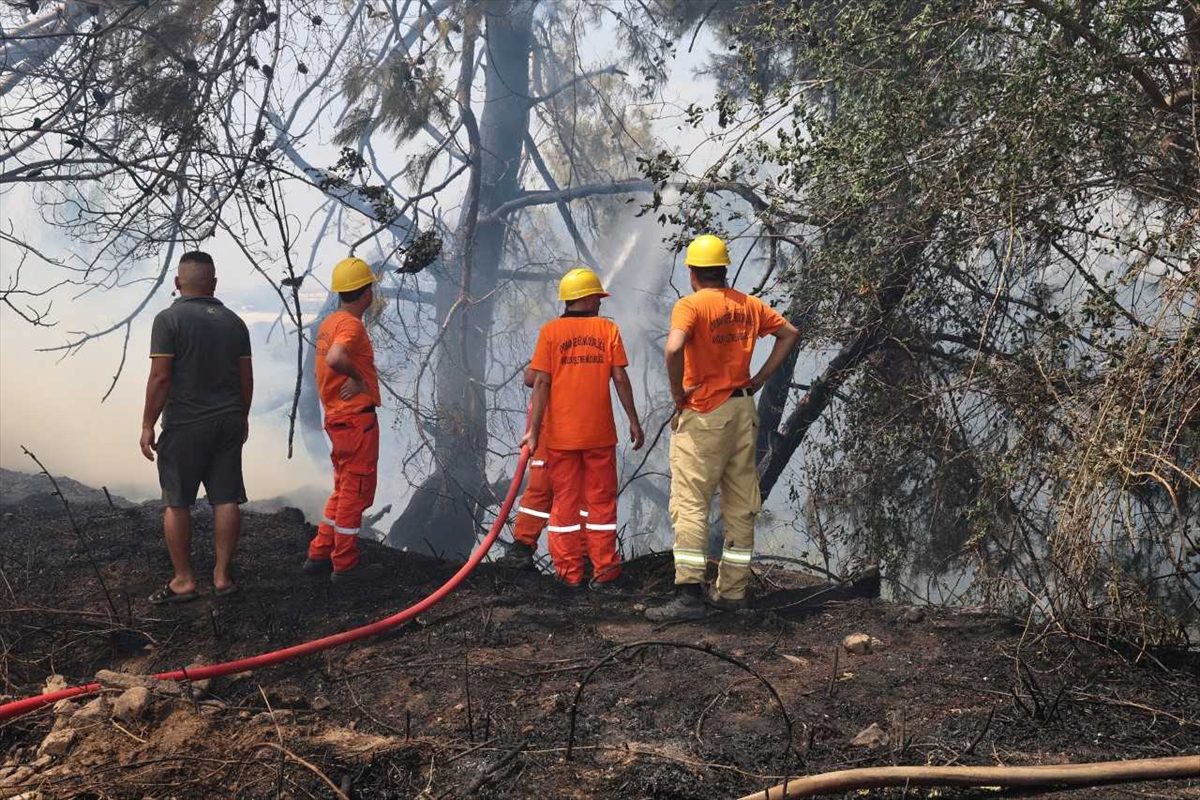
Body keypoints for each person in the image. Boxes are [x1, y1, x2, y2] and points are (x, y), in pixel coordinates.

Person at [645, 235, 800, 621]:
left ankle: (689, 596)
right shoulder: (747, 305)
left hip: (704, 414)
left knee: (691, 502)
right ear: (724, 270)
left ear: (693, 273)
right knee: (741, 504)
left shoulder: (690, 305)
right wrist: (760, 377)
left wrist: (679, 394)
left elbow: (673, 348)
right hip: (742, 410)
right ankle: (732, 592)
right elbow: (789, 334)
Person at [521, 267, 645, 588]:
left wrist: (534, 432)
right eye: (598, 298)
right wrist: (633, 420)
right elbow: (619, 377)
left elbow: (539, 382)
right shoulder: (608, 331)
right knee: (601, 504)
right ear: (588, 298)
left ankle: (569, 575)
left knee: (564, 504)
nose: (601, 303)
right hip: (599, 436)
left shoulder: (549, 332)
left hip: (561, 438)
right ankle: (604, 572)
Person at [140, 251, 253, 604]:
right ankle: (221, 576)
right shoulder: (235, 323)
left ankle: (184, 580)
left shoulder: (167, 320)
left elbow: (160, 378)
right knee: (226, 497)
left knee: (177, 503)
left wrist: (147, 424)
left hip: (185, 425)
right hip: (228, 421)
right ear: (214, 284)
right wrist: (241, 416)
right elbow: (246, 379)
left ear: (177, 284)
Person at [302, 257, 385, 584]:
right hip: (355, 422)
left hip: (338, 419)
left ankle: (320, 552)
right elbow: (337, 358)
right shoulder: (351, 325)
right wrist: (359, 378)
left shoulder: (330, 323)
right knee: (356, 491)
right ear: (366, 294)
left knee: (342, 488)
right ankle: (345, 564)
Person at [495, 368, 552, 569]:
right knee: (579, 497)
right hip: (583, 432)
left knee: (539, 490)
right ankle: (583, 559)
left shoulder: (554, 338)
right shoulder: (600, 341)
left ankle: (521, 551)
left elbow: (532, 378)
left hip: (551, 432)